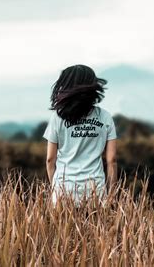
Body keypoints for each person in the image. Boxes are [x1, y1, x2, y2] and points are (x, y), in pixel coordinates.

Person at [43, 64, 118, 206]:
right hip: (95, 192)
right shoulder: (105, 117)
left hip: (63, 193)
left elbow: (50, 159)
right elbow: (112, 160)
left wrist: (55, 188)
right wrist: (111, 195)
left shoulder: (57, 117)